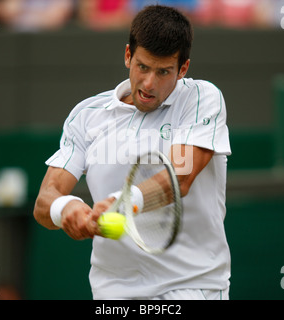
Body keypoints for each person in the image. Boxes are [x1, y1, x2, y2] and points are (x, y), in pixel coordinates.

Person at [34, 5, 232, 300]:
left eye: (163, 71)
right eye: (143, 67)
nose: (149, 83)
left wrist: (120, 202)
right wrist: (67, 210)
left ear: (183, 69)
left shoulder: (202, 98)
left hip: (190, 288)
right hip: (112, 295)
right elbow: (44, 201)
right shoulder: (87, 115)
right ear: (128, 55)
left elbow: (180, 178)